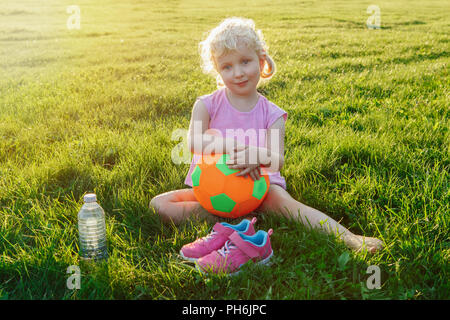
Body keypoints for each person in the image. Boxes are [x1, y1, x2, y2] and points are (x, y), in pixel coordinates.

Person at [150, 17, 383, 253]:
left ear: (261, 62)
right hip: (212, 190)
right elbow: (193, 142)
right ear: (218, 70)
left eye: (245, 61)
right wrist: (230, 146)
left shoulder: (271, 114)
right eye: (227, 66)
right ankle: (227, 223)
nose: (238, 73)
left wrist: (256, 155)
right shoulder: (207, 104)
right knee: (159, 204)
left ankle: (352, 239)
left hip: (261, 189)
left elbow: (276, 159)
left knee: (291, 207)